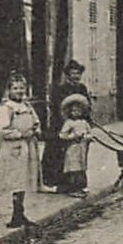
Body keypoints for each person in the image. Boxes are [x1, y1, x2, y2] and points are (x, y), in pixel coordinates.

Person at [0, 75, 42, 227]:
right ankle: (16, 215)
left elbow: (36, 121)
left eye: (22, 88)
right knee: (16, 181)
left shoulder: (27, 106)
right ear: (9, 90)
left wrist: (36, 129)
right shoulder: (6, 108)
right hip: (14, 149)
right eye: (15, 88)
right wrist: (20, 134)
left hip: (28, 147)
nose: (19, 91)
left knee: (24, 180)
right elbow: (2, 131)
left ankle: (20, 213)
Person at [42, 60, 90, 191]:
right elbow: (56, 107)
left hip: (79, 124)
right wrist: (67, 123)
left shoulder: (82, 88)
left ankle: (76, 182)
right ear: (68, 75)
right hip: (62, 124)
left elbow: (87, 106)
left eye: (78, 73)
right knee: (58, 154)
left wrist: (85, 123)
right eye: (73, 73)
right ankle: (54, 182)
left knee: (77, 155)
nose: (76, 76)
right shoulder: (60, 89)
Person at [56, 93, 93, 196]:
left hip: (82, 148)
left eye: (78, 111)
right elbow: (62, 135)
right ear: (70, 112)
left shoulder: (84, 123)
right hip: (73, 148)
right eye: (74, 111)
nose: (76, 113)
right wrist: (72, 136)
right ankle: (73, 188)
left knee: (82, 168)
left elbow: (90, 133)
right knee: (74, 168)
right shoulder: (69, 123)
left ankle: (82, 186)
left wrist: (87, 137)